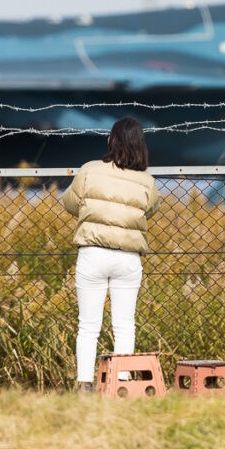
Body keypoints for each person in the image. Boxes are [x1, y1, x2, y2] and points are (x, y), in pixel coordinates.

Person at [62, 116, 160, 391]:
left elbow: (69, 203)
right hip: (128, 257)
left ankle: (84, 385)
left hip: (92, 253)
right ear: (141, 146)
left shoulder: (90, 170)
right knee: (124, 325)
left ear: (111, 141)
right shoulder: (146, 181)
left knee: (88, 326)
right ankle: (122, 385)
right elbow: (150, 211)